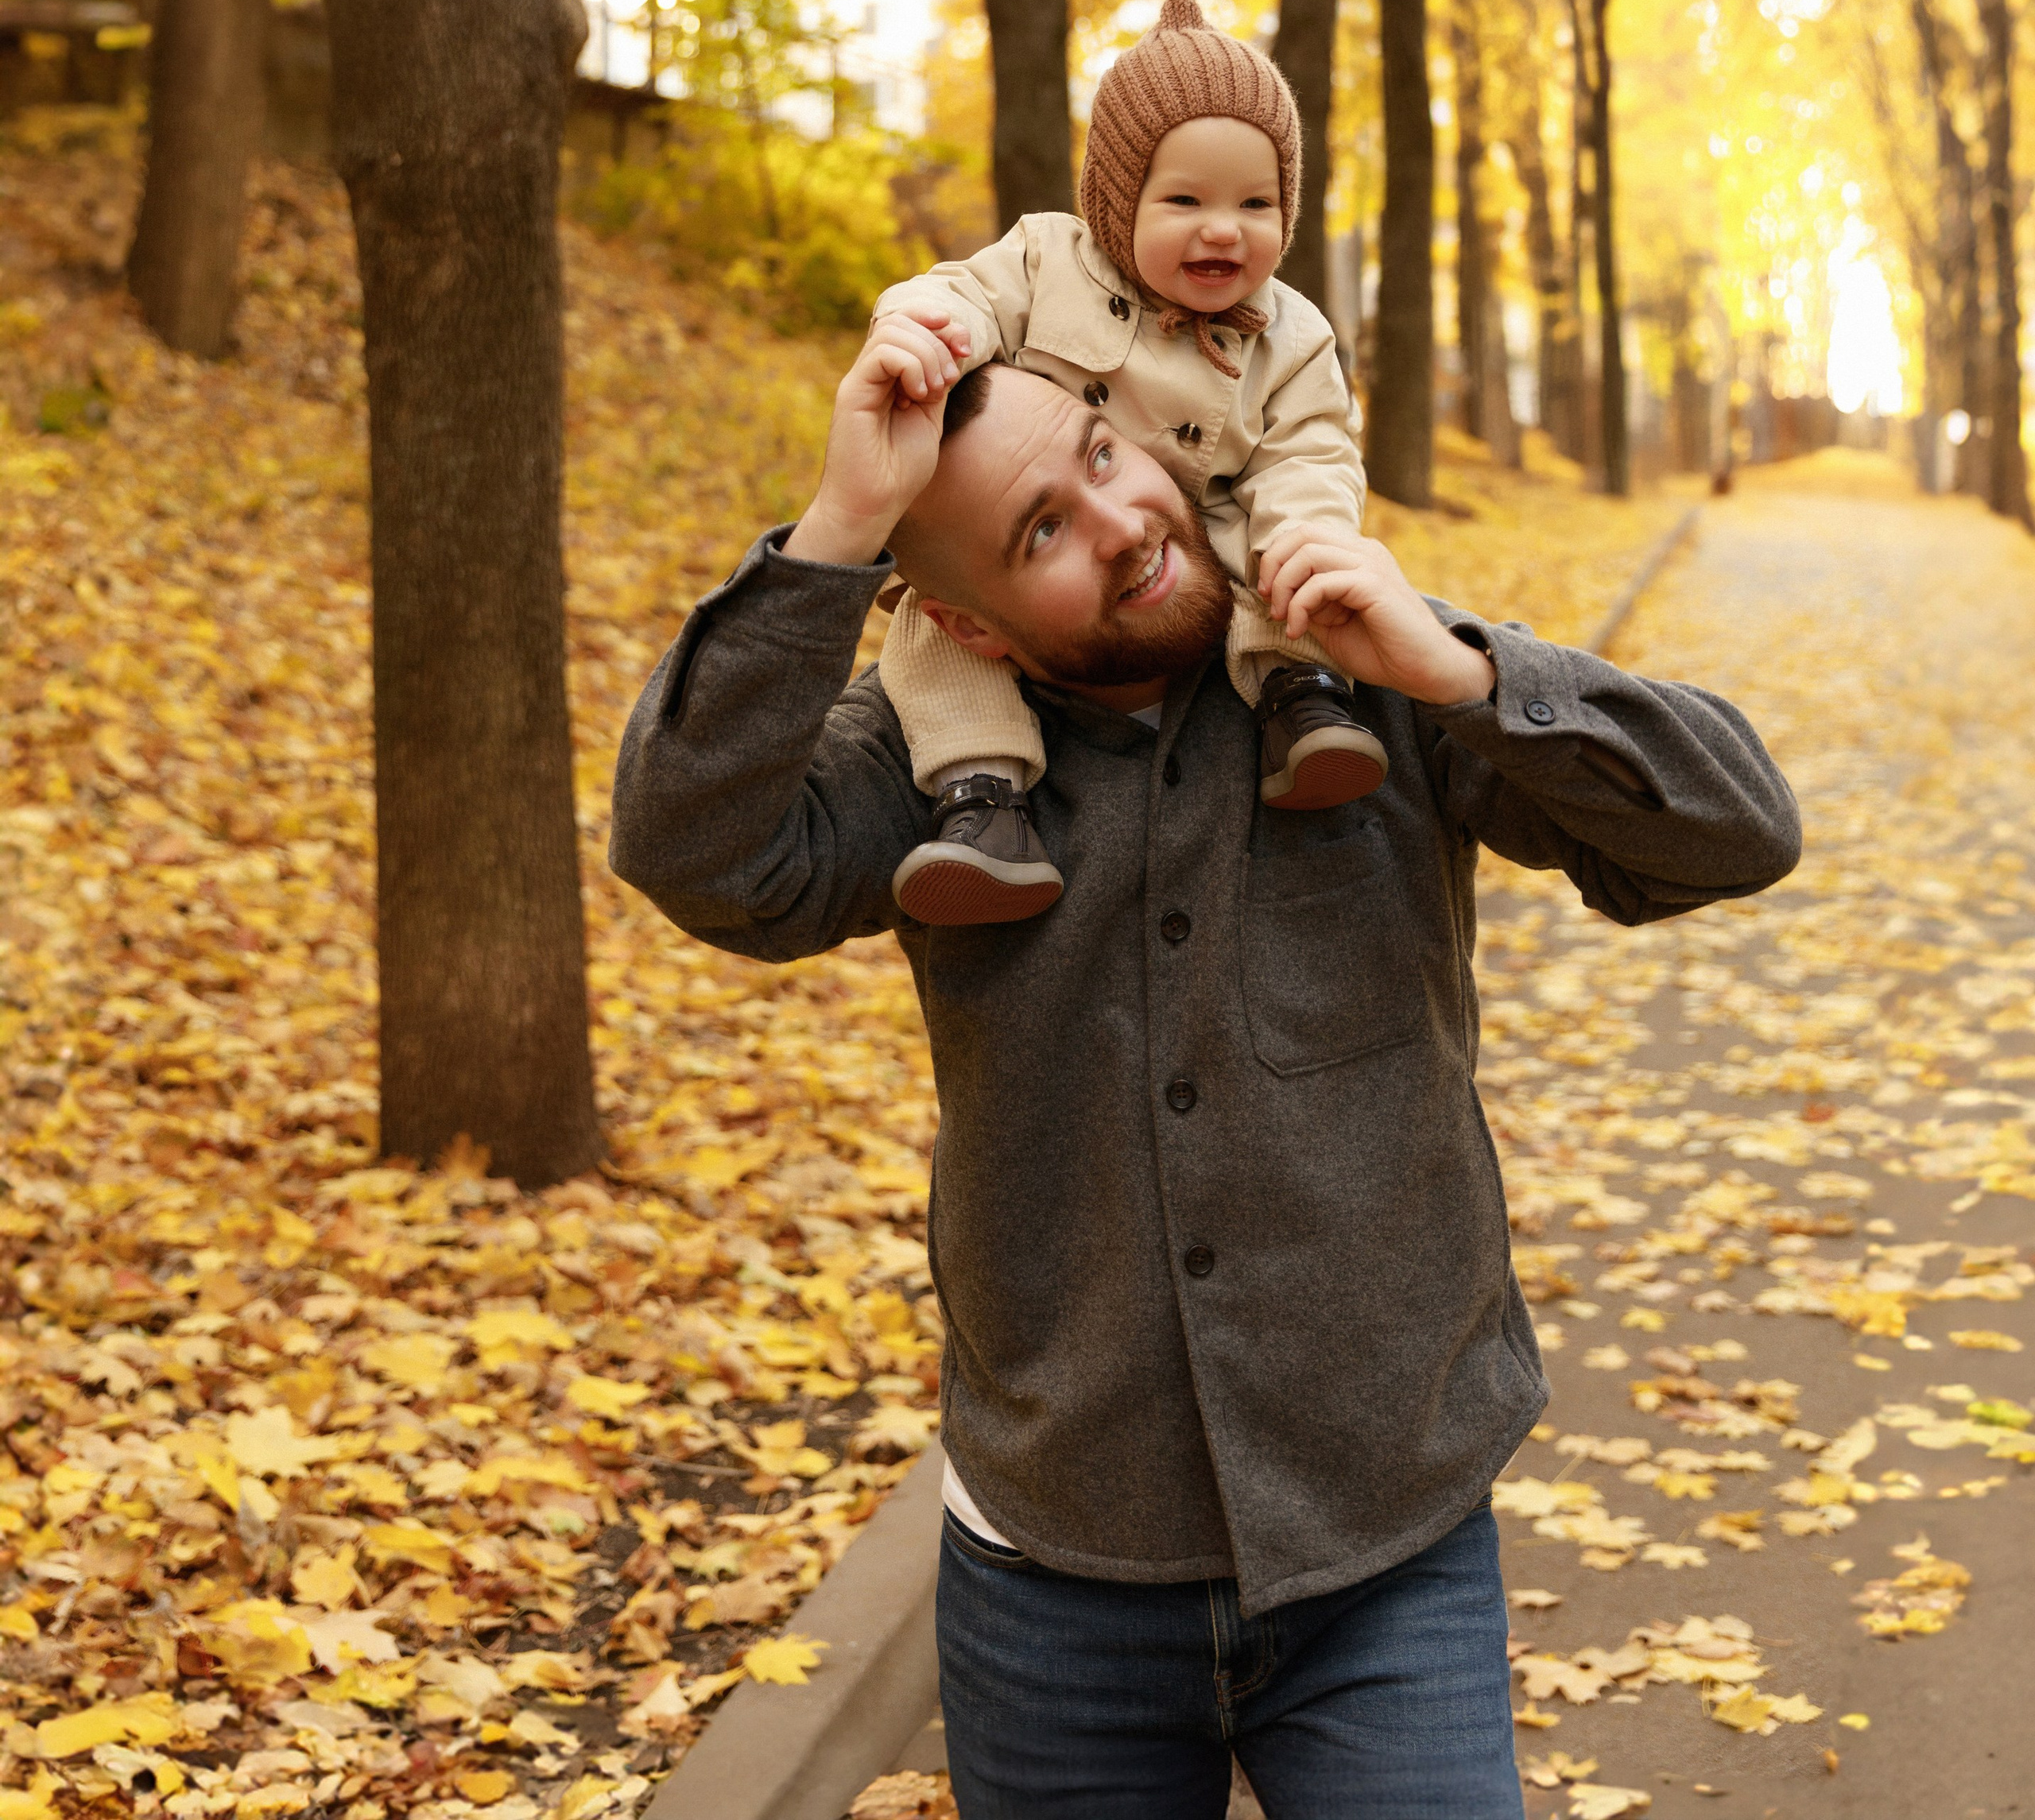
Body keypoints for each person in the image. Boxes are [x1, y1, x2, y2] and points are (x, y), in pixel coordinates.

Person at [610, 323, 1801, 1820]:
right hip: (1053, 1582)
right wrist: (842, 528)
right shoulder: (926, 766)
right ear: (965, 627)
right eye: (1043, 529)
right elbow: (691, 851)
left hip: (1387, 1551)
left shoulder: (1356, 666)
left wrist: (1460, 673)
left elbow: (1737, 830)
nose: (1124, 526)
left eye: (1106, 457)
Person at [869, 0, 1383, 931]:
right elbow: (961, 296)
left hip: (1210, 527)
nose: (1222, 228)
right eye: (1184, 199)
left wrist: (1302, 531)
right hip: (1047, 543)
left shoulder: (1292, 334)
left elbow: (1311, 447)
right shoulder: (1045, 261)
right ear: (1116, 199)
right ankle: (980, 797)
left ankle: (1300, 698)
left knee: (1295, 567)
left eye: (1256, 202)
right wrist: (926, 336)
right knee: (937, 639)